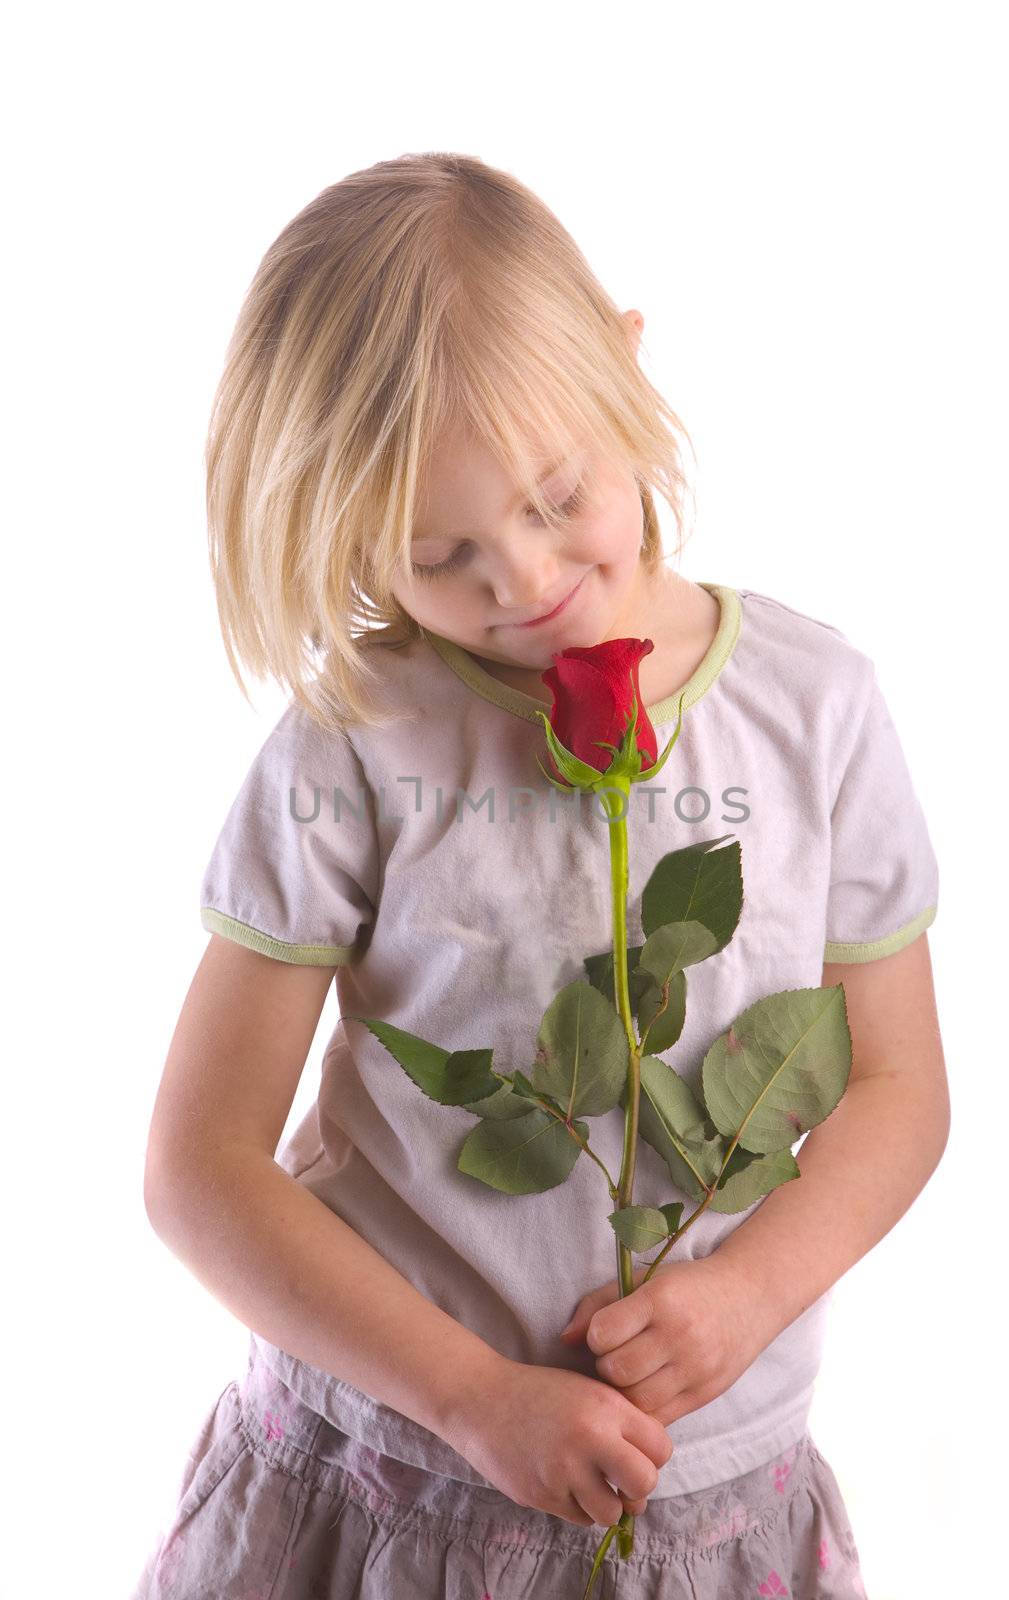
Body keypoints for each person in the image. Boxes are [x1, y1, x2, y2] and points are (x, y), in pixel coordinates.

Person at [133, 152, 949, 1599]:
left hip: (711, 1498)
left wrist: (749, 1295)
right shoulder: (359, 744)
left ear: (626, 365)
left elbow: (898, 1090)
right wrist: (467, 1395)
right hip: (393, 1481)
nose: (517, 581)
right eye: (439, 556)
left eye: (556, 493)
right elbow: (200, 1170)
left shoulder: (819, 708)